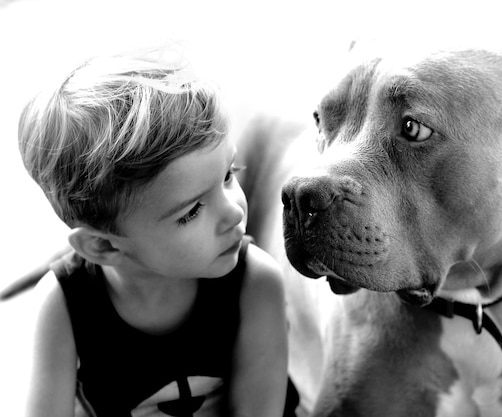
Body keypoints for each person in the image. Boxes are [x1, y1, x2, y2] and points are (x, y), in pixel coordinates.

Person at [18, 49, 296, 417]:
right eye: (192, 210)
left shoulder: (256, 283)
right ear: (102, 245)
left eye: (229, 174)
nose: (234, 211)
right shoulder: (61, 307)